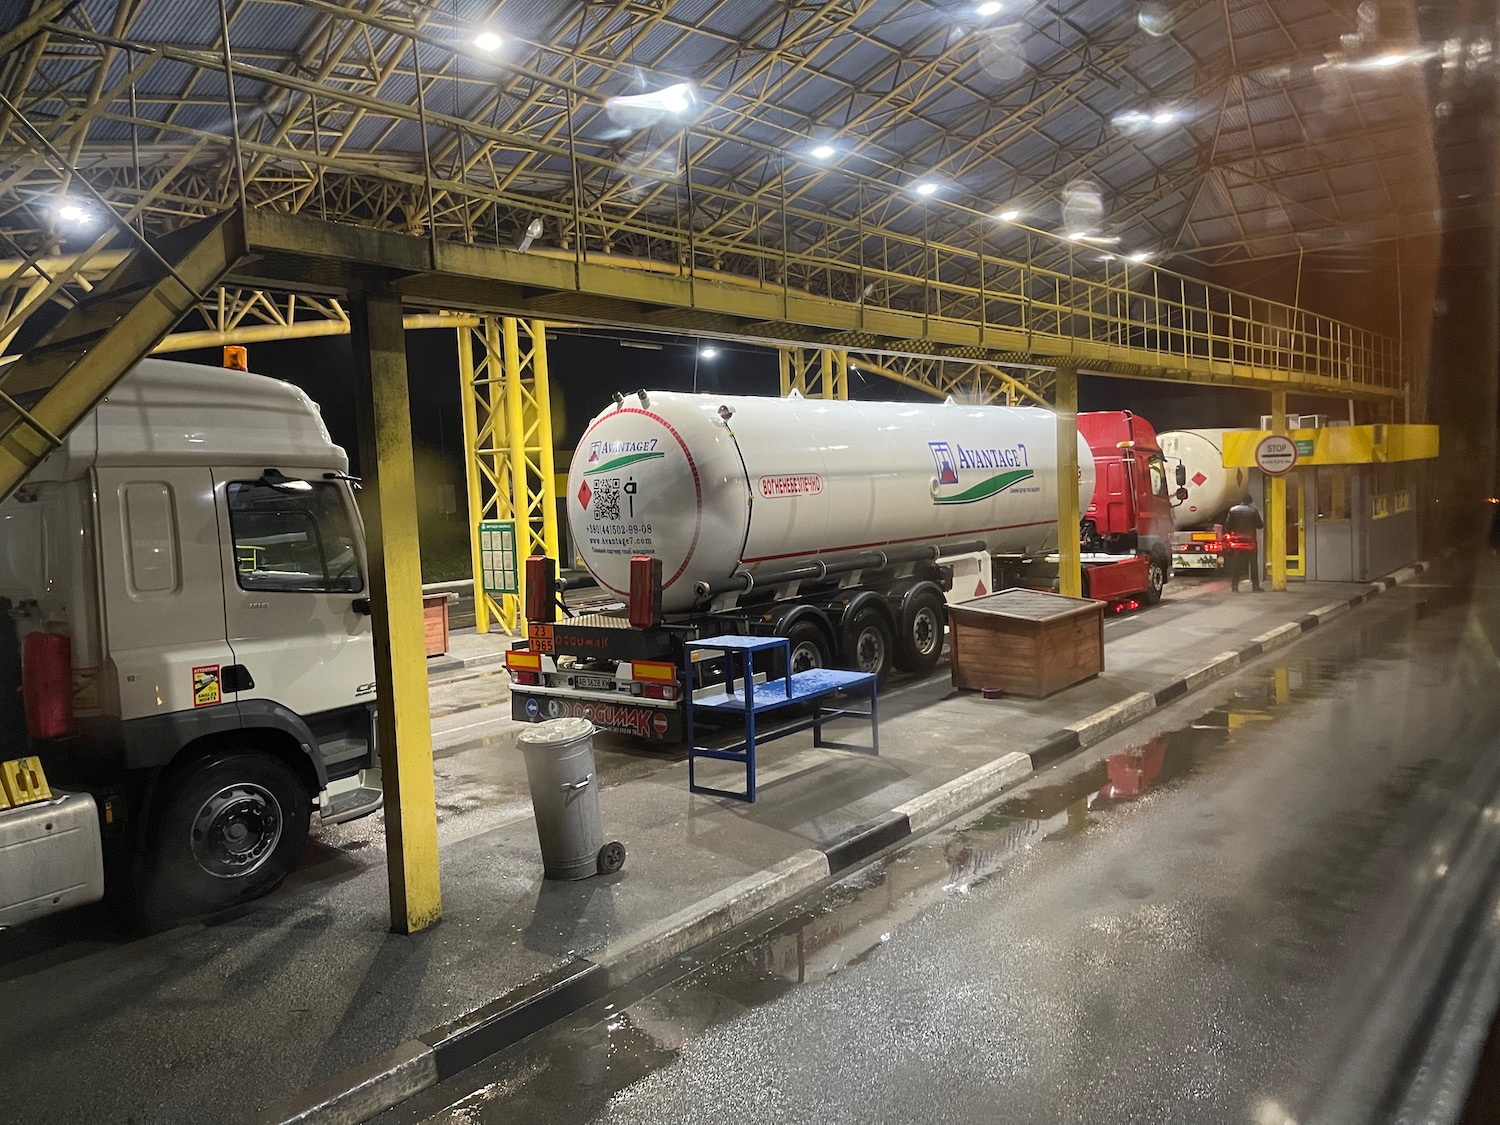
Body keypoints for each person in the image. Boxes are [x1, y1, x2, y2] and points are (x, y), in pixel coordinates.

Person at [1223, 500, 1264, 592]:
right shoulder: (1253, 511)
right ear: (1250, 501)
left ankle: (1234, 587)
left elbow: (1227, 526)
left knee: (1236, 565)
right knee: (1253, 565)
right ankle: (1255, 586)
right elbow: (1259, 525)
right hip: (1250, 543)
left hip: (1237, 543)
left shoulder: (1232, 510)